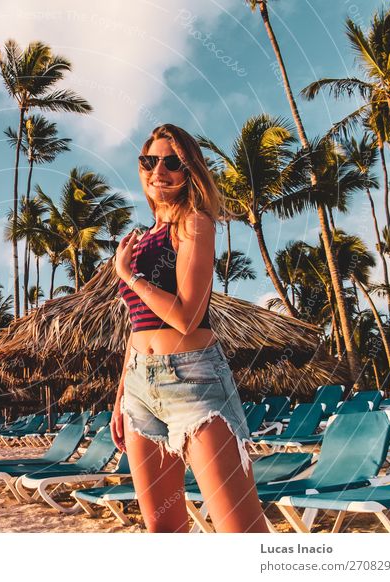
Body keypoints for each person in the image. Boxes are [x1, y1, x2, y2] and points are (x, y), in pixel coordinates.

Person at [110, 123, 268, 533]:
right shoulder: (142, 238)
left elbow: (186, 316)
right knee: (164, 532)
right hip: (139, 390)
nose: (158, 170)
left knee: (241, 532)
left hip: (192, 380)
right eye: (150, 161)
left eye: (171, 162)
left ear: (188, 170)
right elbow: (136, 326)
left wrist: (129, 276)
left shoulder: (195, 223)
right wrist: (121, 395)